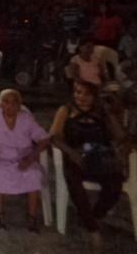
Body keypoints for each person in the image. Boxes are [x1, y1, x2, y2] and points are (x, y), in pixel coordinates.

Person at [50, 80, 127, 245]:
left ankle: (92, 216)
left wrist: (110, 113)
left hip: (99, 156)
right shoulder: (66, 110)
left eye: (86, 94)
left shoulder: (101, 112)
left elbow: (120, 136)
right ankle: (93, 229)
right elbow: (54, 136)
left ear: (94, 96)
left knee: (115, 183)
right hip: (75, 155)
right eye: (78, 92)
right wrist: (71, 153)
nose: (81, 97)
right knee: (74, 181)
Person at [0, 89, 50, 232]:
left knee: (33, 174)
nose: (10, 105)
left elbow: (44, 139)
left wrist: (31, 157)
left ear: (19, 105)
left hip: (23, 158)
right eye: (6, 102)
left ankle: (32, 219)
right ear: (0, 104)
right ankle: (0, 218)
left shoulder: (26, 118)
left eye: (14, 102)